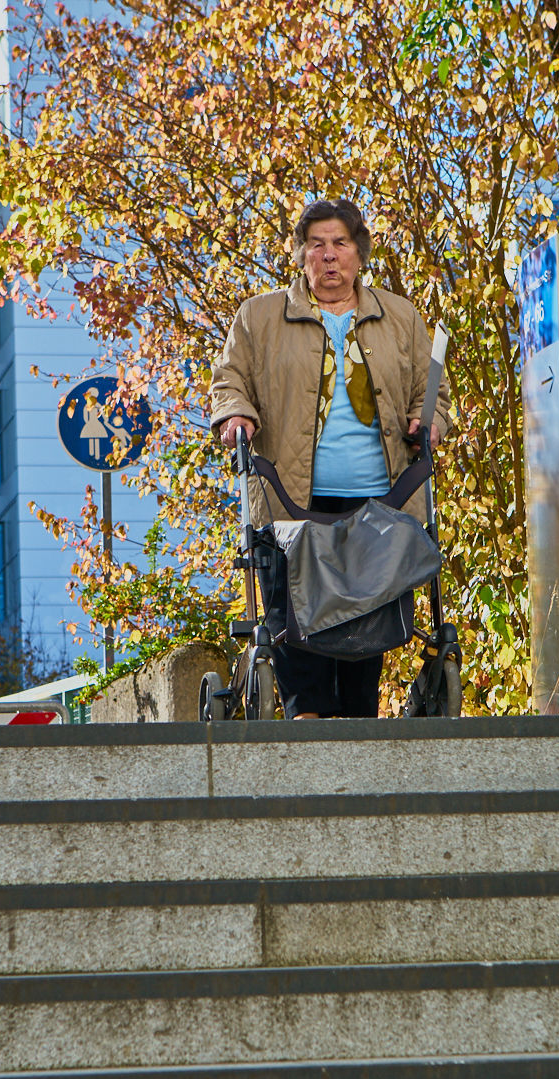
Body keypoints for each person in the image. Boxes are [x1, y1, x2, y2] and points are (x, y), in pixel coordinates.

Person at [210, 198, 450, 719]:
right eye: (316, 244)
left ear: (360, 253)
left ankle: (359, 715)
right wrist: (236, 416)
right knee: (295, 606)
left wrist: (426, 421)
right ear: (300, 255)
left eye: (340, 243)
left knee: (367, 605)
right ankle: (308, 712)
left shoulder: (400, 317)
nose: (329, 255)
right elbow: (230, 381)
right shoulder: (258, 317)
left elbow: (430, 392)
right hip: (291, 491)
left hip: (379, 494)